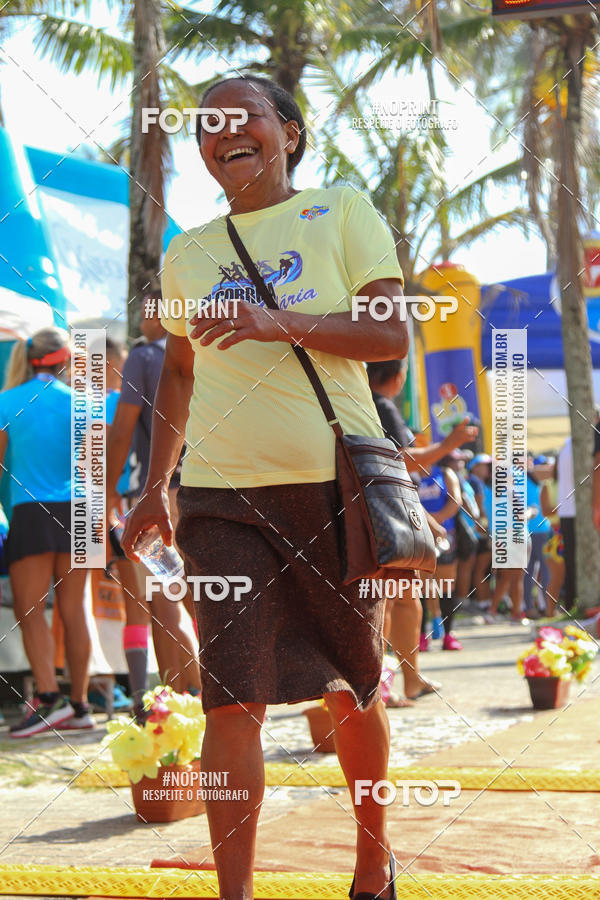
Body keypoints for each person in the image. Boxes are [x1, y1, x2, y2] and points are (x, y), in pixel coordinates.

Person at [122, 75, 408, 900]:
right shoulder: (188, 251)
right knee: (229, 698)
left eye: (239, 116)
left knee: (352, 688)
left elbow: (389, 334)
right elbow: (178, 370)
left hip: (332, 489)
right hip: (219, 499)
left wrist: (270, 321)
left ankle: (370, 858)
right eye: (205, 125)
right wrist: (155, 486)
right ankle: (235, 894)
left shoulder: (344, 210)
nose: (221, 132)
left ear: (287, 131)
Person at [106, 299, 201, 720]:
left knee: (166, 597)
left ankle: (188, 698)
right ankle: (197, 696)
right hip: (209, 488)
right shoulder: (204, 344)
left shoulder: (144, 357)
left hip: (163, 494)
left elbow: (124, 428)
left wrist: (108, 491)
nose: (142, 319)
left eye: (148, 311)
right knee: (201, 595)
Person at [0, 328, 92, 737]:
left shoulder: (7, 401)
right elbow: (96, 468)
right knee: (75, 610)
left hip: (32, 512)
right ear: (66, 360)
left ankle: (49, 700)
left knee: (30, 610)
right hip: (81, 511)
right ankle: (81, 706)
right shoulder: (85, 403)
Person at [367, 360, 477, 697]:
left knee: (404, 598)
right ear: (398, 378)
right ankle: (382, 688)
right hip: (383, 511)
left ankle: (407, 681)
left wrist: (426, 519)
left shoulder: (365, 402)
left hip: (388, 507)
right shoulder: (380, 404)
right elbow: (404, 461)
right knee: (386, 601)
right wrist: (449, 444)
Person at [417, 461, 463, 650]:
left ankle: (448, 634)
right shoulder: (407, 472)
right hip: (417, 534)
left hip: (444, 535)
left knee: (445, 585)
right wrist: (426, 524)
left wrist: (434, 522)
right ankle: (420, 635)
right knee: (419, 587)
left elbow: (456, 501)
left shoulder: (445, 472)